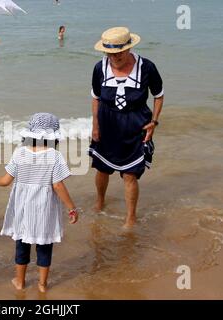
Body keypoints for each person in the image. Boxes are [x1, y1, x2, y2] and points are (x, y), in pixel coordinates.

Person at [0, 113, 79, 293]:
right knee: (44, 246)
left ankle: (20, 282)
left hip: (23, 210)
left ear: (31, 133)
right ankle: (42, 285)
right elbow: (58, 185)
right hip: (44, 210)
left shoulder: (20, 153)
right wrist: (72, 208)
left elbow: (6, 181)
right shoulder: (55, 156)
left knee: (22, 245)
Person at [88, 27, 164, 228]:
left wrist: (154, 122)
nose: (114, 57)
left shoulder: (147, 67)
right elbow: (95, 97)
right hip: (107, 123)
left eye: (118, 52)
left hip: (136, 123)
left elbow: (159, 95)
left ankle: (130, 217)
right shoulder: (99, 68)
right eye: (109, 52)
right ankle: (100, 202)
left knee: (130, 173)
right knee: (102, 168)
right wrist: (95, 125)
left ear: (128, 48)